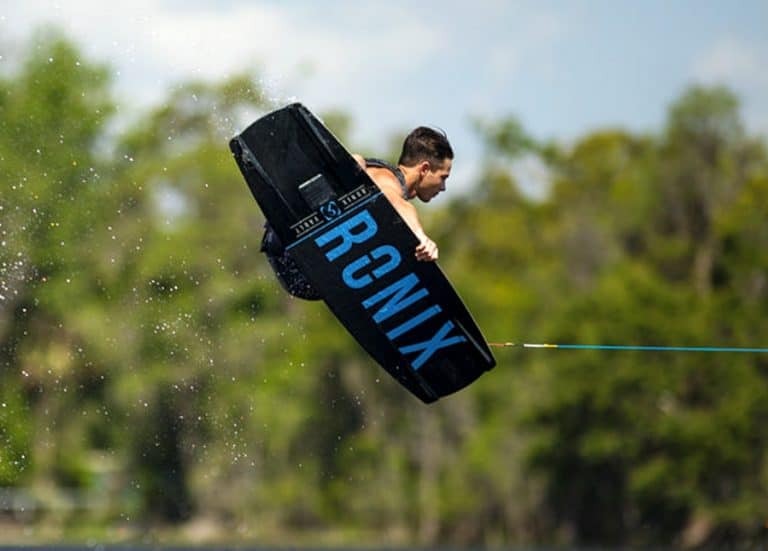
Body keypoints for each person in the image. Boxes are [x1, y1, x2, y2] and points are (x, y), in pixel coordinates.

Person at [261, 126, 453, 300]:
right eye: (443, 177)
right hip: (293, 254)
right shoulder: (387, 179)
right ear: (425, 169)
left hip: (291, 262)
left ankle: (315, 192)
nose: (443, 187)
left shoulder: (377, 174)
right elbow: (395, 201)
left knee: (357, 167)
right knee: (357, 162)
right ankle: (311, 194)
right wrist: (420, 236)